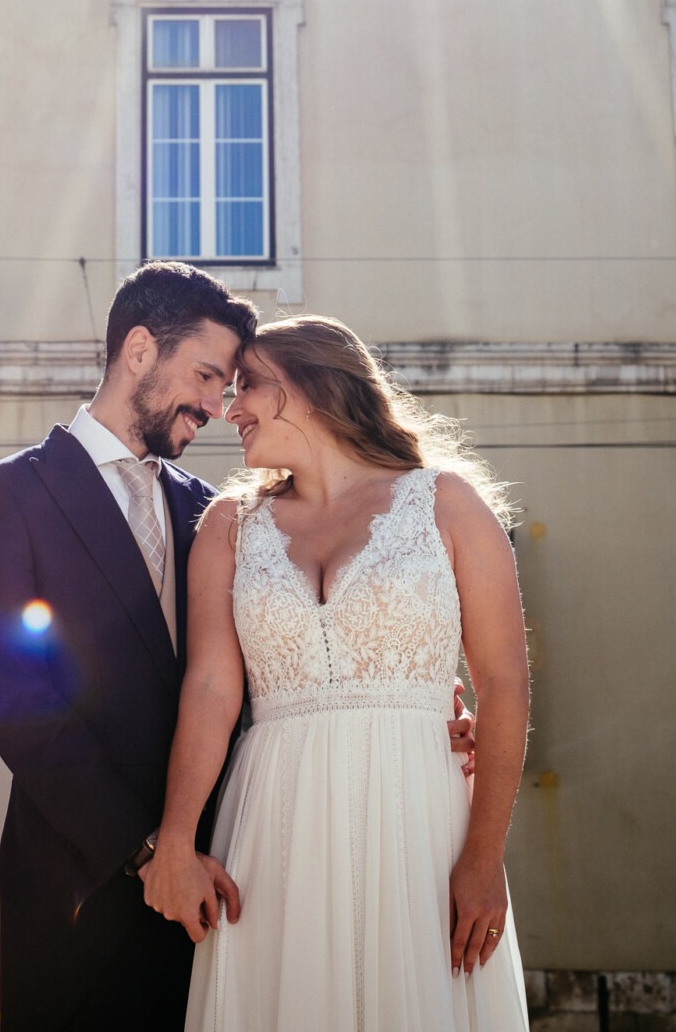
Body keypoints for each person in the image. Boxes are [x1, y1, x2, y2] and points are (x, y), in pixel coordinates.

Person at [0, 269, 480, 1032]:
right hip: (82, 888)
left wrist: (424, 705)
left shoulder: (222, 516)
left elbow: (267, 665)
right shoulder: (4, 498)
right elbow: (18, 708)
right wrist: (149, 853)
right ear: (139, 350)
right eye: (205, 375)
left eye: (229, 385)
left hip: (235, 875)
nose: (216, 404)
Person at [141, 315, 530, 1032]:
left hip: (420, 818)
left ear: (314, 387)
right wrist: (176, 838)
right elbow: (210, 690)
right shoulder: (230, 525)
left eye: (249, 385)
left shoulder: (447, 504)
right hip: (274, 824)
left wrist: (483, 856)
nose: (231, 409)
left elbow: (503, 683)